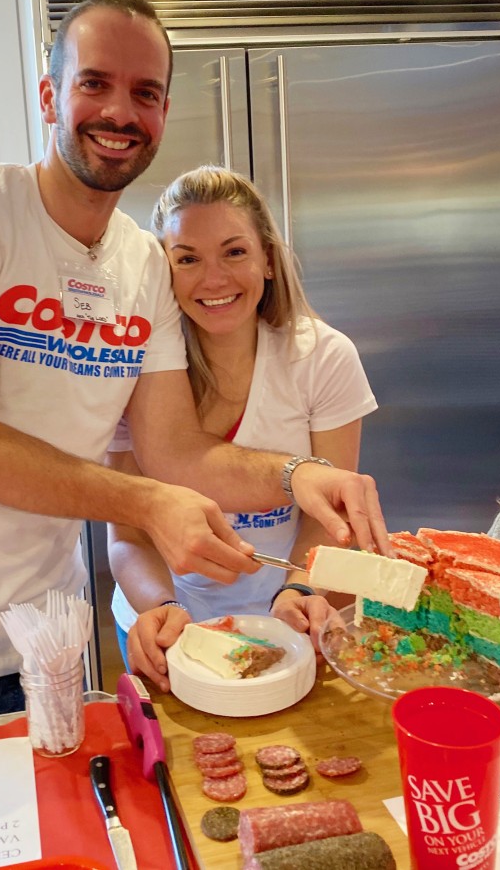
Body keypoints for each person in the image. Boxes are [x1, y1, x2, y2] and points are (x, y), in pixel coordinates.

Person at [0, 0, 389, 747]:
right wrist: (147, 506)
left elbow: (176, 451)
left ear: (164, 113)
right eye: (95, 83)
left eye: (145, 93)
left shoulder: (144, 268)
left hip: (44, 647)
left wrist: (298, 476)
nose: (120, 110)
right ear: (49, 95)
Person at [107, 166, 377, 690]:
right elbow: (127, 534)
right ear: (163, 274)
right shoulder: (133, 369)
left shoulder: (322, 357)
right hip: (166, 627)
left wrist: (299, 591)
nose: (214, 279)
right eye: (187, 259)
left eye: (234, 252)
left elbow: (329, 519)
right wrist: (161, 608)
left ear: (268, 261)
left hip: (288, 623)